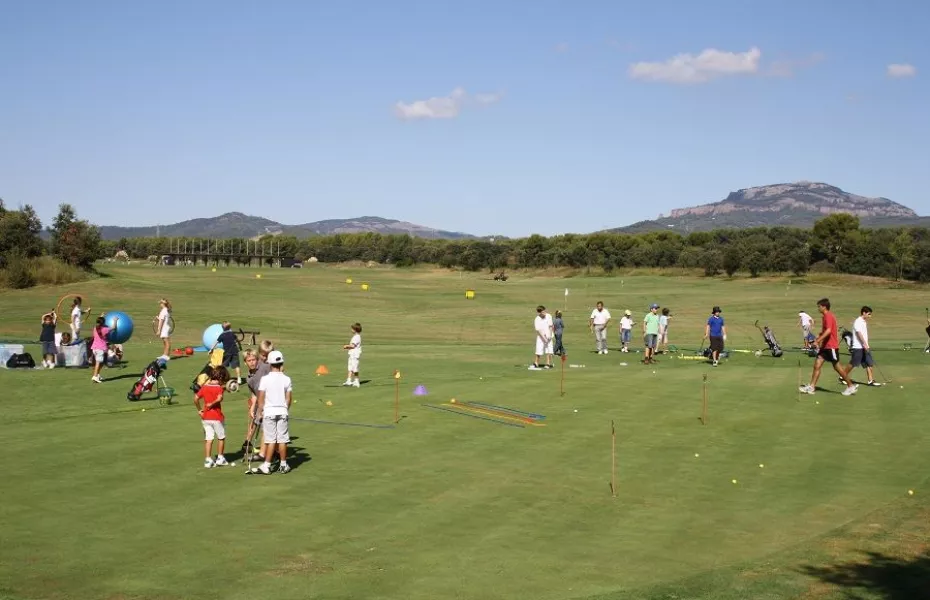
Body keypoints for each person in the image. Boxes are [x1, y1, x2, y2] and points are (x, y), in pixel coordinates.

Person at [799, 298, 857, 396]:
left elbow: (829, 331)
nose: (818, 308)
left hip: (831, 346)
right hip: (825, 347)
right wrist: (817, 338)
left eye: (819, 306)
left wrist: (817, 341)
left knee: (837, 367)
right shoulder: (824, 317)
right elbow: (825, 331)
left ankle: (850, 386)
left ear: (824, 307)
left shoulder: (828, 316)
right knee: (817, 364)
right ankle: (812, 387)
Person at [251, 350, 293, 475]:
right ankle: (283, 465)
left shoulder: (265, 379)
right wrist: (285, 409)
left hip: (269, 412)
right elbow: (289, 399)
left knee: (270, 440)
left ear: (269, 364)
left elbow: (261, 399)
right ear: (281, 363)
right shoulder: (287, 379)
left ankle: (267, 466)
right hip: (282, 411)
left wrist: (259, 413)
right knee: (282, 440)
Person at [193, 366, 229, 468]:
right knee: (221, 437)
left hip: (206, 417)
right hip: (217, 417)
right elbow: (219, 398)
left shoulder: (204, 387)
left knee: (208, 438)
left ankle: (208, 460)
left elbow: (195, 398)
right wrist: (212, 404)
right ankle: (220, 458)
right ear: (221, 377)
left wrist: (199, 410)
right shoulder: (219, 388)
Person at [242, 343, 273, 458]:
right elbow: (254, 394)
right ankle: (249, 444)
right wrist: (253, 407)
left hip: (270, 403)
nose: (252, 362)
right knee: (256, 422)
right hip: (260, 404)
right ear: (245, 362)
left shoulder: (264, 367)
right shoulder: (249, 378)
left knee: (267, 428)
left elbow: (277, 369)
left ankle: (264, 453)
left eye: (254, 359)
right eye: (249, 360)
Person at [841, 306, 881, 387]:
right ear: (864, 313)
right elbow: (859, 334)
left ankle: (870, 381)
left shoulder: (863, 321)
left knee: (869, 363)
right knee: (853, 363)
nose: (870, 316)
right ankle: (842, 377)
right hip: (858, 347)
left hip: (864, 346)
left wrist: (866, 345)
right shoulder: (858, 321)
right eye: (869, 314)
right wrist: (864, 344)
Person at [90, 314, 117, 383]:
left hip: (95, 348)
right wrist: (115, 320)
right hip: (100, 349)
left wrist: (101, 316)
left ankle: (97, 375)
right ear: (104, 323)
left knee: (101, 363)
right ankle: (95, 376)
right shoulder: (105, 329)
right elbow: (114, 328)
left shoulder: (95, 328)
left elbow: (99, 322)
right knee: (98, 362)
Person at [531, 305, 553, 370]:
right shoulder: (537, 319)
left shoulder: (549, 316)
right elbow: (538, 330)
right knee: (538, 349)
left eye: (545, 311)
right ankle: (536, 363)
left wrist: (550, 335)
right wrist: (543, 338)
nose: (544, 313)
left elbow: (551, 326)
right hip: (540, 337)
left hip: (548, 335)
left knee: (548, 350)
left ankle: (548, 363)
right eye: (543, 312)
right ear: (539, 313)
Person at [342, 323, 362, 387]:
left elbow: (353, 346)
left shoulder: (357, 337)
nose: (351, 330)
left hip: (355, 355)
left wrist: (346, 346)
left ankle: (356, 381)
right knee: (350, 368)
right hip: (352, 354)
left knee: (355, 368)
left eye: (352, 329)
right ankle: (349, 380)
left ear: (355, 329)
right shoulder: (355, 336)